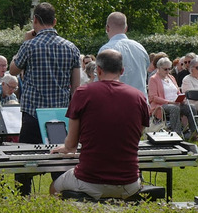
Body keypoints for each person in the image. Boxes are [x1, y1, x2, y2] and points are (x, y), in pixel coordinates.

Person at [50, 49, 150, 200]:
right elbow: (136, 134)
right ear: (122, 71)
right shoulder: (139, 97)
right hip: (129, 183)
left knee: (54, 187)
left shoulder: (83, 93)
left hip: (89, 179)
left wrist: (65, 147)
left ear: (98, 70)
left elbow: (71, 145)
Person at [9, 2, 81, 195]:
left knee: (25, 164)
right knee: (60, 163)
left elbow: (12, 70)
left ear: (35, 21)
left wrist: (23, 43)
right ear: (55, 21)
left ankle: (22, 202)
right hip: (59, 116)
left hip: (33, 114)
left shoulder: (29, 46)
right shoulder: (71, 48)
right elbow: (76, 87)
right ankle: (62, 199)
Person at [98, 11, 149, 95]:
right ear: (126, 28)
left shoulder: (106, 50)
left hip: (117, 101)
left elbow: (100, 79)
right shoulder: (140, 48)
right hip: (140, 101)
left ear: (107, 28)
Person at [148, 57, 197, 140]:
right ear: (159, 68)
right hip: (161, 105)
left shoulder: (171, 77)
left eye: (169, 69)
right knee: (174, 109)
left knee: (191, 108)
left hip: (176, 103)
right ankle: (177, 134)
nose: (167, 71)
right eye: (165, 69)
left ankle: (193, 133)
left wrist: (181, 98)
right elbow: (153, 97)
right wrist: (169, 102)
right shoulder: (153, 79)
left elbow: (177, 91)